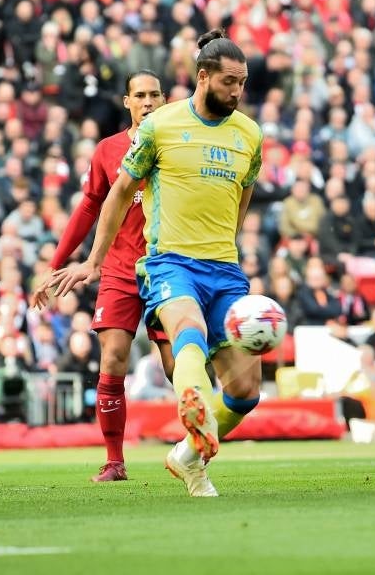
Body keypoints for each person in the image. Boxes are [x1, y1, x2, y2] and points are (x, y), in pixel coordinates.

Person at [51, 29, 264, 496]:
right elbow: (116, 195)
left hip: (224, 268)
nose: (237, 91)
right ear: (203, 77)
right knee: (186, 332)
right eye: (230, 81)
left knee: (247, 388)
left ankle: (188, 455)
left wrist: (225, 246)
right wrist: (91, 260)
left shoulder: (250, 134)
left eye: (243, 82)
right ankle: (186, 409)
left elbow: (241, 198)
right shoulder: (160, 126)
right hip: (169, 261)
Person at [31, 70, 173, 482]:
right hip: (118, 269)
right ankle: (115, 461)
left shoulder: (177, 145)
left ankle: (194, 450)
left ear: (164, 100)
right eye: (140, 95)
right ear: (127, 102)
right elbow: (89, 208)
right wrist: (57, 263)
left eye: (155, 95)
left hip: (167, 266)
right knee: (112, 357)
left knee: (176, 364)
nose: (148, 102)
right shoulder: (108, 151)